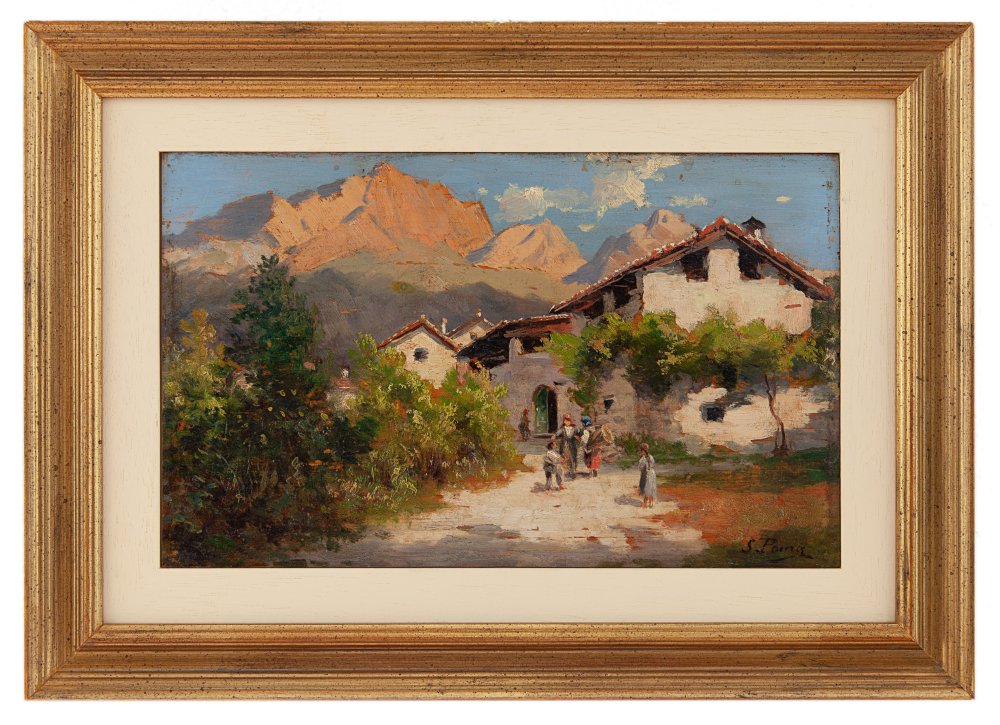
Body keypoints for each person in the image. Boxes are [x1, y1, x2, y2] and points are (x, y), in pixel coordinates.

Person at [554, 415, 582, 479]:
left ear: (570, 421)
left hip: (572, 445)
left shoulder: (574, 429)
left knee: (573, 458)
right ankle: (565, 471)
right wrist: (554, 436)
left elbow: (579, 435)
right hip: (564, 445)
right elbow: (557, 433)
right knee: (564, 457)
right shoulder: (562, 429)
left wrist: (578, 437)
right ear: (564, 421)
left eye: (568, 420)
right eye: (566, 420)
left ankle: (573, 471)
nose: (567, 422)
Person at [638, 442, 658, 508]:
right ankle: (651, 503)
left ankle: (646, 503)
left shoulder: (642, 459)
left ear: (643, 451)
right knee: (651, 488)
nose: (640, 452)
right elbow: (653, 464)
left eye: (641, 451)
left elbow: (640, 468)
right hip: (652, 473)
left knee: (646, 487)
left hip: (646, 474)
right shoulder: (651, 457)